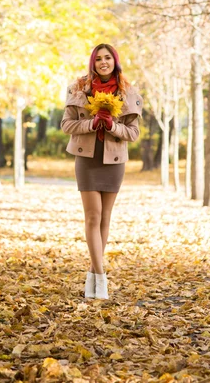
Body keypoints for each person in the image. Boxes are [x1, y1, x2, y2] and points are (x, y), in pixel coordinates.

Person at [61, 43, 143, 300]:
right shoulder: (79, 88)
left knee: (106, 217)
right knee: (93, 217)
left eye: (108, 58)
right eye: (98, 59)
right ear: (93, 63)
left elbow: (133, 133)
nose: (103, 62)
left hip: (114, 161)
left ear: (115, 61)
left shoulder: (127, 92)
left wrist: (111, 126)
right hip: (87, 159)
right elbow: (66, 125)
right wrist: (91, 123)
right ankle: (101, 277)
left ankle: (91, 278)